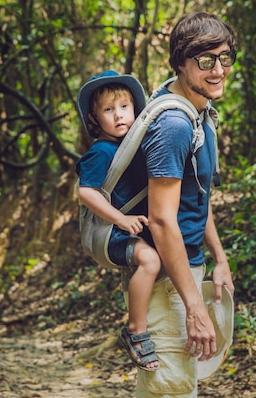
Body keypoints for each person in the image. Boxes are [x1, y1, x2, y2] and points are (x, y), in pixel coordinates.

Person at [123, 12, 237, 397]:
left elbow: (197, 198)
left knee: (174, 388)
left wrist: (219, 260)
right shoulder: (174, 124)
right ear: (180, 63)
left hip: (184, 273)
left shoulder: (200, 112)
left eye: (225, 58)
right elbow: (161, 220)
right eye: (205, 61)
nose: (218, 69)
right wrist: (194, 306)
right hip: (168, 283)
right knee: (170, 390)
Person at [75, 70, 161, 371]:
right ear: (95, 119)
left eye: (124, 107)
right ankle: (136, 331)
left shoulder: (131, 147)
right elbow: (87, 193)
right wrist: (122, 220)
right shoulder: (101, 151)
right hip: (111, 233)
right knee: (150, 261)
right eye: (109, 110)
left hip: (130, 229)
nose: (119, 115)